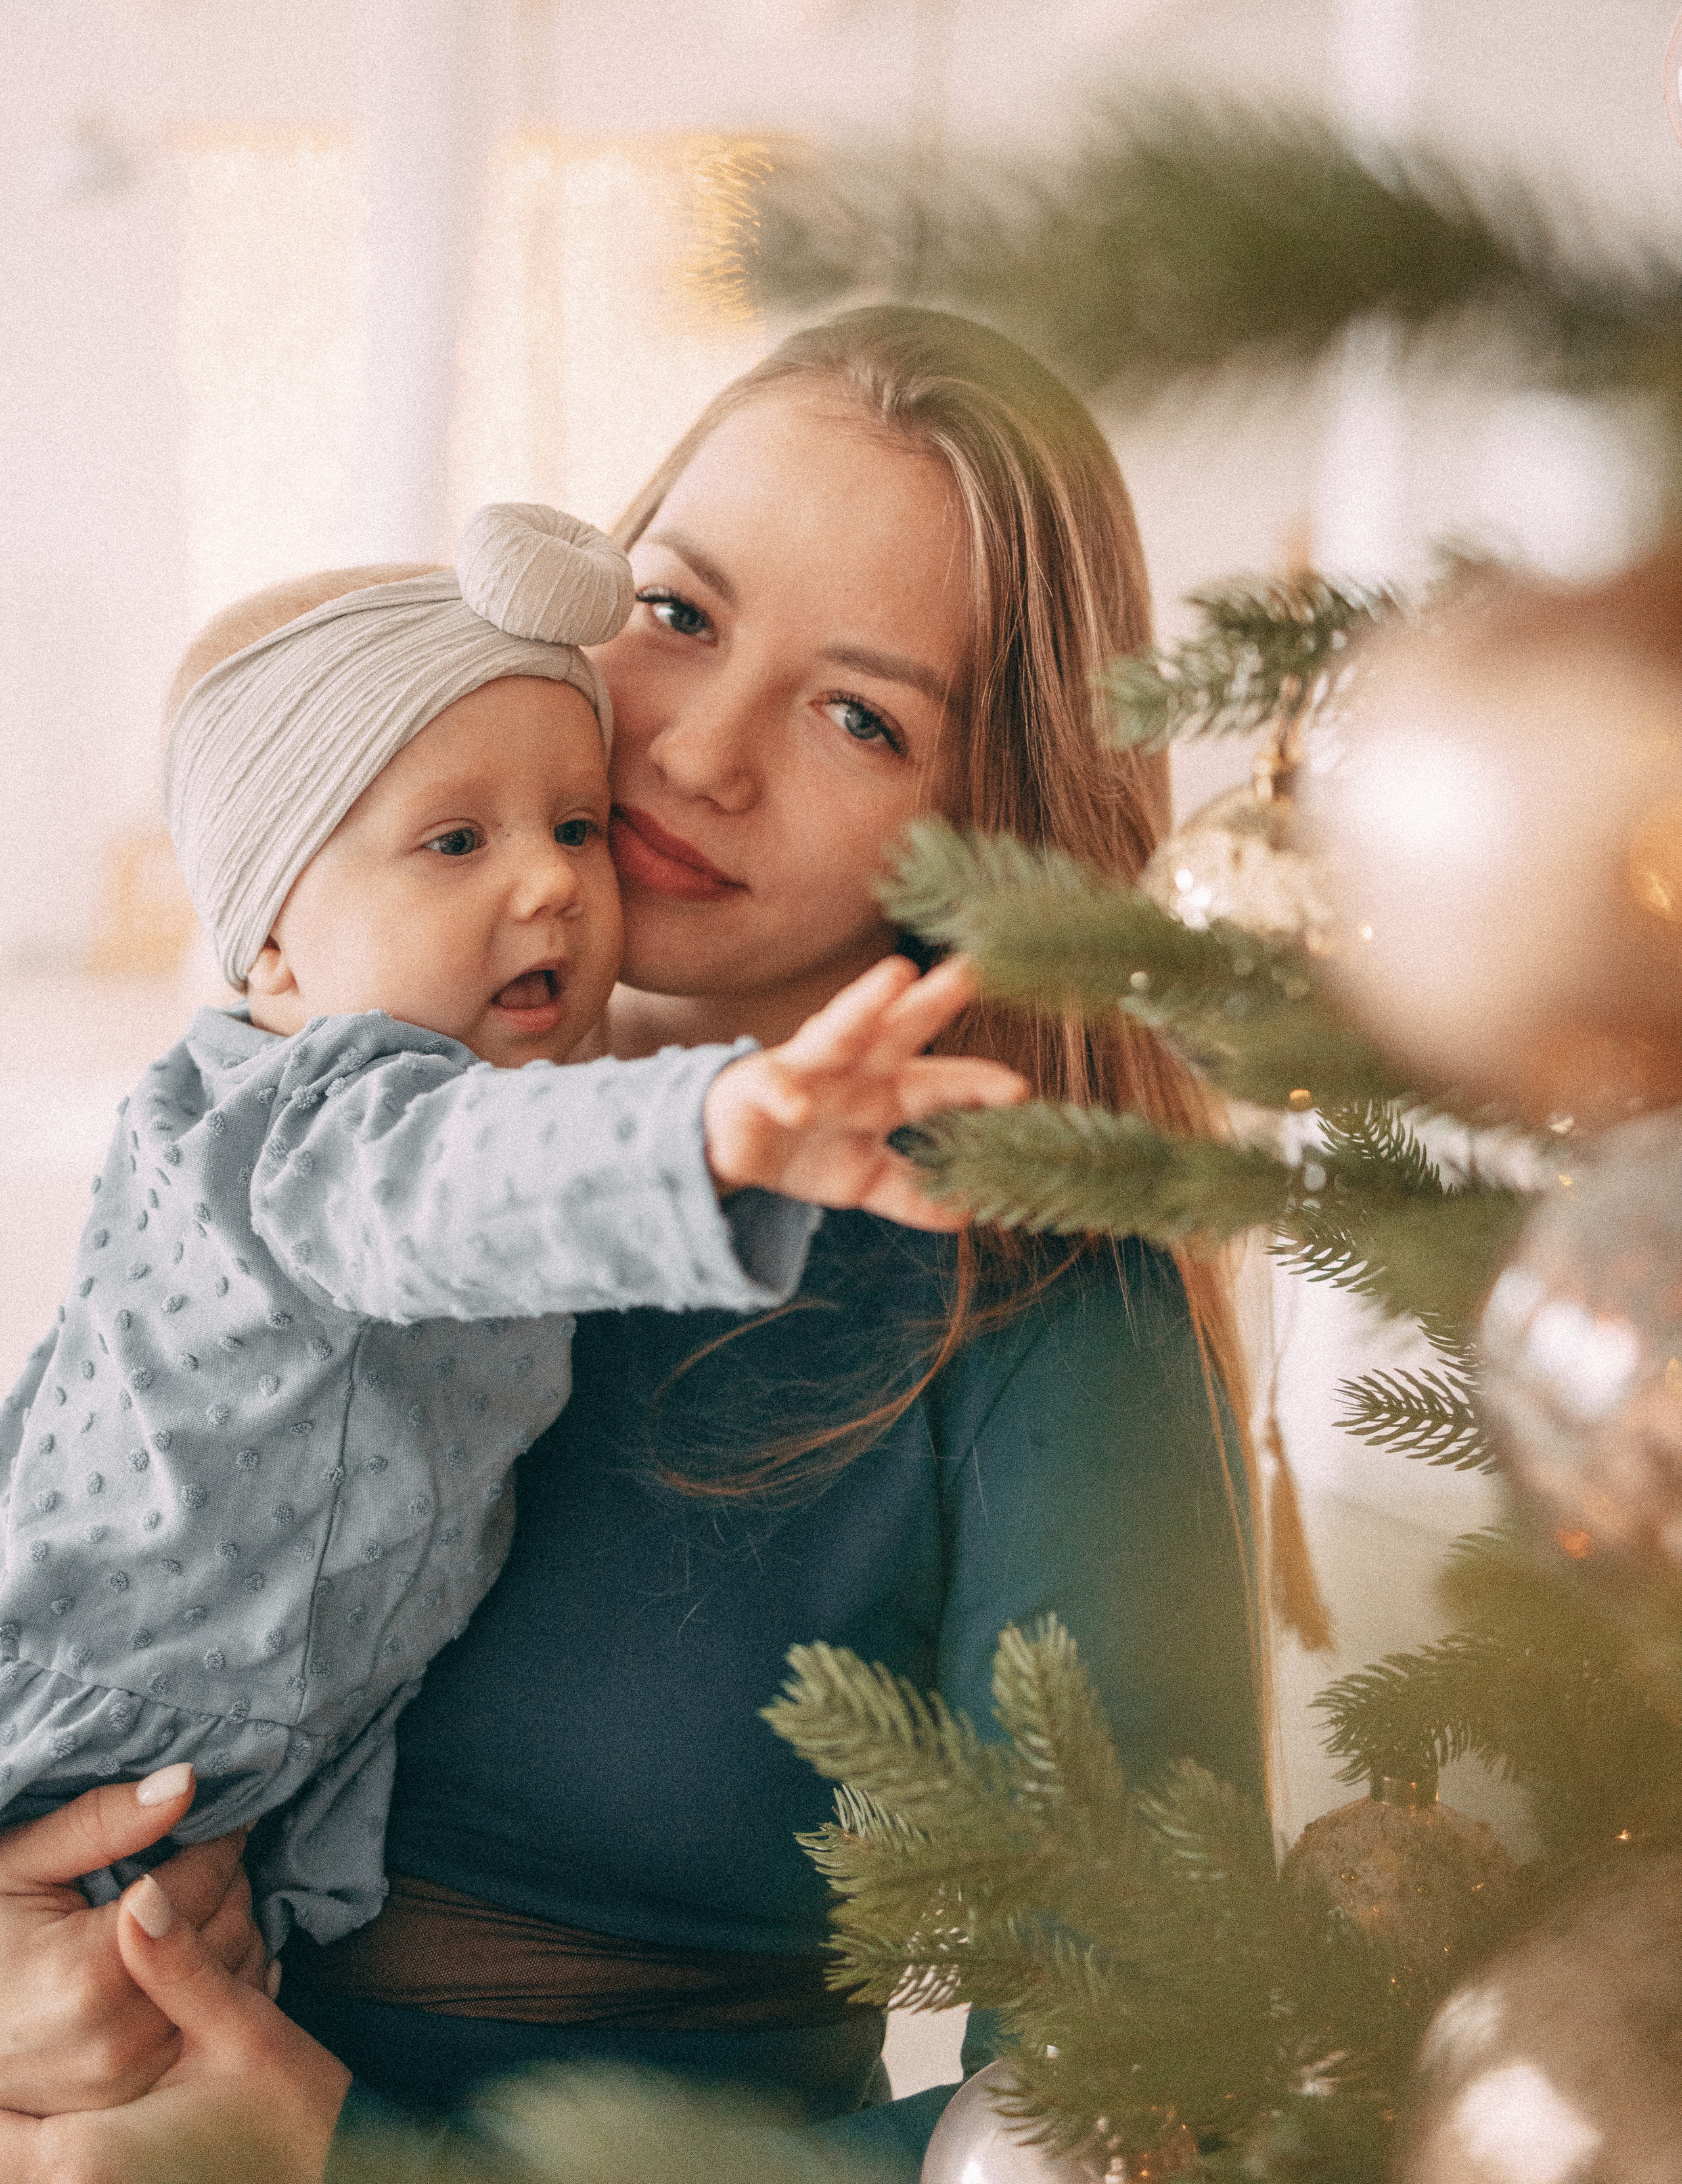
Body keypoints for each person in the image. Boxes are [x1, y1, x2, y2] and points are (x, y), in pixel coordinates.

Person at [0, 309, 1263, 2183]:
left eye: (862, 714)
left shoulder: (1039, 1309)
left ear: (984, 825)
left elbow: (1165, 2094)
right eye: (676, 612)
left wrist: (363, 2166)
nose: (696, 748)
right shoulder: (309, 1126)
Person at [0, 500, 1020, 1974]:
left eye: (572, 828)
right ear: (274, 941)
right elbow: (448, 1186)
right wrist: (714, 1128)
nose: (546, 882)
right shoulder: (302, 1126)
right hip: (88, 1724)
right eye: (455, 841)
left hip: (229, 1787)